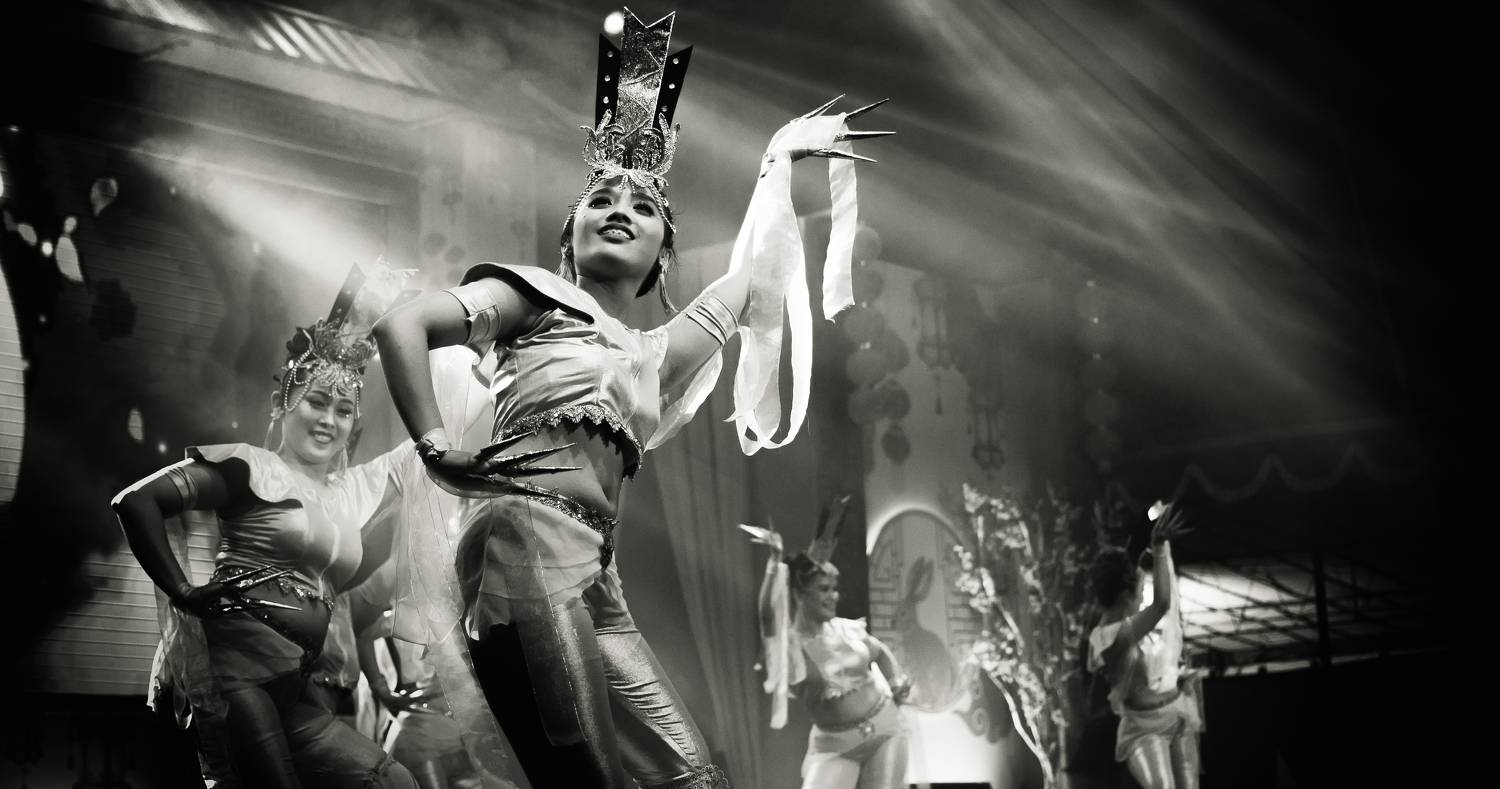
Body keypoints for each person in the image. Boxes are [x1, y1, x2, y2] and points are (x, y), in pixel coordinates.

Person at [371, 10, 888, 789]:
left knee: (693, 776)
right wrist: (436, 447)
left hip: (594, 572)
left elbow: (758, 272)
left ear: (659, 257)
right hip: (523, 549)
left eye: (644, 206)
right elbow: (402, 323)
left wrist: (779, 159)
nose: (621, 208)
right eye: (603, 197)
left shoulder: (654, 353)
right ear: (571, 231)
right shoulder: (532, 295)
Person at [112, 264, 418, 788]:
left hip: (295, 685)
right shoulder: (249, 466)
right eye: (316, 402)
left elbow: (425, 451)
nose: (329, 420)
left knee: (393, 782)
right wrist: (183, 590)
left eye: (344, 410)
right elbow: (136, 502)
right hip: (237, 674)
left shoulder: (348, 493)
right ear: (281, 405)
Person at [746, 497, 912, 789]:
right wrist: (774, 565)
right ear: (799, 594)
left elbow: (880, 653)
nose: (833, 596)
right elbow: (767, 616)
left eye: (834, 589)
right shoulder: (791, 647)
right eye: (824, 589)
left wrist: (896, 682)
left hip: (886, 729)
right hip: (834, 746)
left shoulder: (847, 630)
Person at [1086, 503, 1202, 789]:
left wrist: (1152, 546)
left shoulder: (1129, 629)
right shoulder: (1110, 637)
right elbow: (1162, 603)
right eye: (1139, 591)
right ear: (1125, 596)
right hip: (1142, 729)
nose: (1141, 598)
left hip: (1176, 714)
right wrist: (1159, 548)